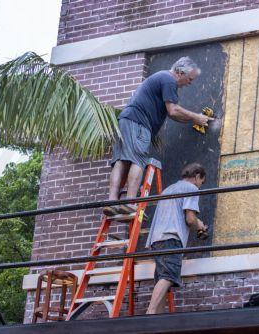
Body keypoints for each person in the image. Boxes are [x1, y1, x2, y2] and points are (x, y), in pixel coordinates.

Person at [104, 57, 213, 216]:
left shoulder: (161, 78)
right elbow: (173, 110)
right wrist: (196, 117)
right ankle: (129, 202)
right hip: (139, 124)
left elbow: (174, 116)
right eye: (189, 79)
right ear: (180, 72)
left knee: (121, 161)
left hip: (126, 120)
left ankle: (112, 202)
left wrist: (193, 119)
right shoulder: (169, 80)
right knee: (138, 160)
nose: (189, 83)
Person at [145, 163, 208, 314]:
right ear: (197, 176)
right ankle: (150, 313)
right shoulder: (191, 189)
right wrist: (201, 227)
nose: (200, 186)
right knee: (168, 276)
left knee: (162, 278)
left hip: (156, 239)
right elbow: (190, 219)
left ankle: (156, 322)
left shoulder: (169, 189)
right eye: (202, 182)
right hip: (171, 237)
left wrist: (198, 224)